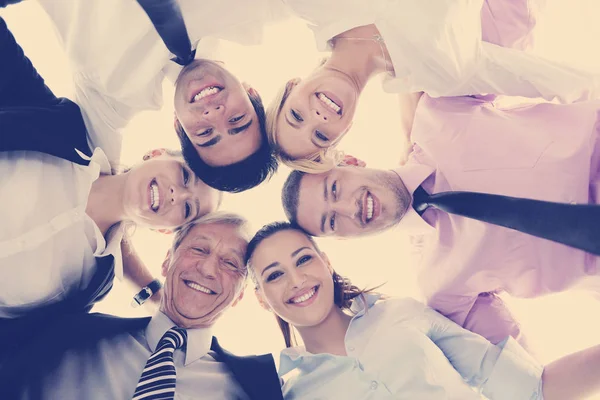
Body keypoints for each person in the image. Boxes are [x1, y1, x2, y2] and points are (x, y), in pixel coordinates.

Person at [280, 84, 600, 348]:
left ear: (349, 161)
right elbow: (519, 369)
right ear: (343, 240)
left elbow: (501, 24)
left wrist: (408, 77)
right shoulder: (442, 289)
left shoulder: (435, 110)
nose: (350, 208)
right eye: (332, 222)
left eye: (335, 190)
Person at [0, 16, 221, 320]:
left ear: (163, 229)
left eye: (187, 210)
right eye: (185, 176)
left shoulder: (91, 284)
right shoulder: (63, 128)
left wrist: (156, 296)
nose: (177, 195)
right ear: (154, 153)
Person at [245, 222, 600, 400]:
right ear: (261, 298)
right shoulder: (293, 393)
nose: (297, 280)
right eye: (275, 275)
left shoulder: (401, 314)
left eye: (303, 259)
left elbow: (530, 389)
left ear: (326, 262)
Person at [266, 0, 600, 171]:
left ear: (293, 85)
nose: (317, 118)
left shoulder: (314, 6)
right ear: (346, 129)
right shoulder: (443, 74)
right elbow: (547, 77)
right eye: (321, 136)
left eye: (296, 115)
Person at [3, 0, 286, 192]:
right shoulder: (251, 11)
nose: (214, 114)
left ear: (178, 125)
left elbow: (95, 182)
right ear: (252, 93)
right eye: (237, 119)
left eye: (205, 133)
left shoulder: (113, 96)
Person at [1, 213, 285, 400]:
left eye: (230, 263)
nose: (209, 268)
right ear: (166, 261)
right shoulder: (68, 332)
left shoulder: (256, 389)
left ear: (239, 295)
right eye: (199, 249)